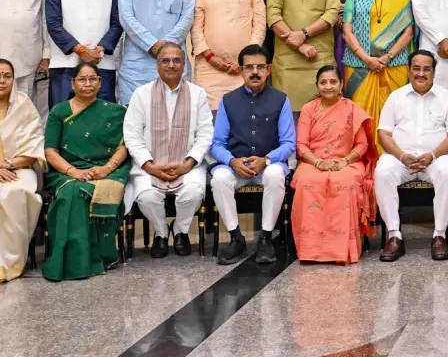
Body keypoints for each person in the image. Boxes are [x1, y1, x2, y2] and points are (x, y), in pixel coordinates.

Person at [122, 43, 214, 258]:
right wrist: (149, 165)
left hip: (187, 164)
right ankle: (162, 232)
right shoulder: (141, 94)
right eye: (165, 60)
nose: (171, 65)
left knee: (193, 193)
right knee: (146, 196)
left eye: (177, 60)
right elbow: (132, 135)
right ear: (157, 65)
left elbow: (205, 133)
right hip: (150, 165)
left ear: (184, 65)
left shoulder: (198, 94)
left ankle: (180, 230)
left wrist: (188, 163)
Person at [41, 61, 129, 280]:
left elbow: (124, 147)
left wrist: (106, 168)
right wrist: (73, 172)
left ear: (100, 83)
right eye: (82, 79)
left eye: (92, 79)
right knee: (72, 192)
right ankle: (71, 262)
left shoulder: (115, 112)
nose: (87, 83)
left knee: (91, 190)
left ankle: (101, 256)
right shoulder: (58, 112)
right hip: (66, 172)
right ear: (73, 82)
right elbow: (50, 151)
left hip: (105, 170)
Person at [210, 44, 296, 265]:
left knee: (276, 174)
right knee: (219, 178)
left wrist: (266, 160)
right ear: (241, 70)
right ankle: (235, 237)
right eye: (249, 67)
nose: (254, 72)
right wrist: (232, 161)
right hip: (236, 166)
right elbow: (217, 144)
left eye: (260, 67)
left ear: (268, 69)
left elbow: (288, 143)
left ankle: (265, 237)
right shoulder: (228, 101)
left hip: (268, 165)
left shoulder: (281, 99)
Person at [375, 50, 448, 262]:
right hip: (401, 159)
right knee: (382, 171)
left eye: (426, 69)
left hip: (435, 159)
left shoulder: (446, 97)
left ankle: (439, 235)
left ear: (434, 72)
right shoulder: (396, 97)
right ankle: (394, 236)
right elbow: (383, 133)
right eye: (416, 68)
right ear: (409, 70)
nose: (420, 73)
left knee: (447, 170)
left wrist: (433, 155)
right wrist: (402, 156)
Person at [291, 65, 376, 264]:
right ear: (317, 86)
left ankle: (342, 251)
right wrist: (318, 162)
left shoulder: (352, 109)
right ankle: (310, 250)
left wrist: (345, 161)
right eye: (323, 82)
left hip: (347, 163)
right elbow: (301, 145)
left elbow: (362, 144)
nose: (328, 86)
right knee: (307, 182)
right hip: (314, 162)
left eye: (333, 82)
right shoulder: (308, 109)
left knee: (344, 183)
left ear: (341, 85)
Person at [117, 0, 196, 104]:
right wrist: (151, 44)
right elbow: (127, 18)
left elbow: (187, 17)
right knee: (134, 117)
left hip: (174, 61)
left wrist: (167, 47)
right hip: (137, 64)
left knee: (177, 116)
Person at [342, 0, 414, 137]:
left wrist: (387, 57)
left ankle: (391, 158)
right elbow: (346, 30)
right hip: (358, 65)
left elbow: (408, 33)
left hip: (393, 64)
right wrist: (367, 58)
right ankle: (362, 158)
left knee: (394, 114)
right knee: (359, 114)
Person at [267, 0, 341, 114]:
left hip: (319, 57)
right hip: (288, 60)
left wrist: (304, 34)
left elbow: (332, 14)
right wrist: (300, 45)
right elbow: (273, 15)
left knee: (322, 114)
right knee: (286, 116)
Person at [46, 0, 122, 104]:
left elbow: (117, 24)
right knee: (63, 116)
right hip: (65, 64)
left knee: (102, 118)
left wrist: (100, 49)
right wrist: (81, 50)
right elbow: (53, 24)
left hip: (101, 62)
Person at [193, 0, 267, 110]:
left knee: (243, 116)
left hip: (243, 69)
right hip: (209, 68)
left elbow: (259, 28)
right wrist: (211, 57)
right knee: (209, 116)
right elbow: (196, 29)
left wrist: (245, 61)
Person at [0, 60, 43, 282]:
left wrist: (8, 165)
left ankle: (10, 263)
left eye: (7, 76)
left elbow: (36, 144)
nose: (2, 80)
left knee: (13, 194)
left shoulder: (24, 104)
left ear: (13, 80)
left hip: (18, 168)